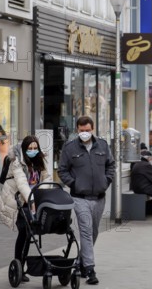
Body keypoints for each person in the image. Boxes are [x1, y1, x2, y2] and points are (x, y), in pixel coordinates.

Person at [58, 116, 115, 285]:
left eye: (87, 130)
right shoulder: (69, 148)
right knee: (85, 231)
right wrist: (73, 183)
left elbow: (110, 165)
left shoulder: (103, 145)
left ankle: (81, 262)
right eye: (82, 131)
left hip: (99, 197)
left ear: (93, 129)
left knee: (94, 232)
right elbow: (62, 170)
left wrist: (106, 181)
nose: (85, 133)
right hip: (79, 197)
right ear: (77, 130)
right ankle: (90, 269)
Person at [0, 136, 52, 284]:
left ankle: (21, 266)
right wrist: (31, 198)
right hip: (18, 201)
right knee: (24, 232)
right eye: (30, 148)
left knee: (29, 234)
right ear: (24, 149)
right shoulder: (16, 162)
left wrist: (45, 192)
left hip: (32, 201)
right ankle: (19, 266)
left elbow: (46, 178)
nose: (33, 151)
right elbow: (22, 183)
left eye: (35, 148)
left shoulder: (39, 161)